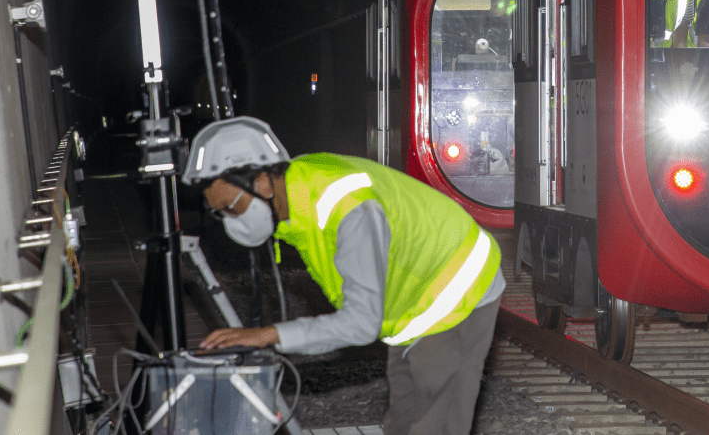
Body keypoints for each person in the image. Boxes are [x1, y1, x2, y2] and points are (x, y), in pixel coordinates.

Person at [181, 116, 505, 435]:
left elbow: (362, 323)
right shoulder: (299, 186)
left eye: (231, 207)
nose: (229, 221)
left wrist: (269, 335)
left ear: (263, 182)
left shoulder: (349, 211)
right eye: (218, 213)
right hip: (415, 295)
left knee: (437, 423)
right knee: (404, 420)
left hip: (457, 287)